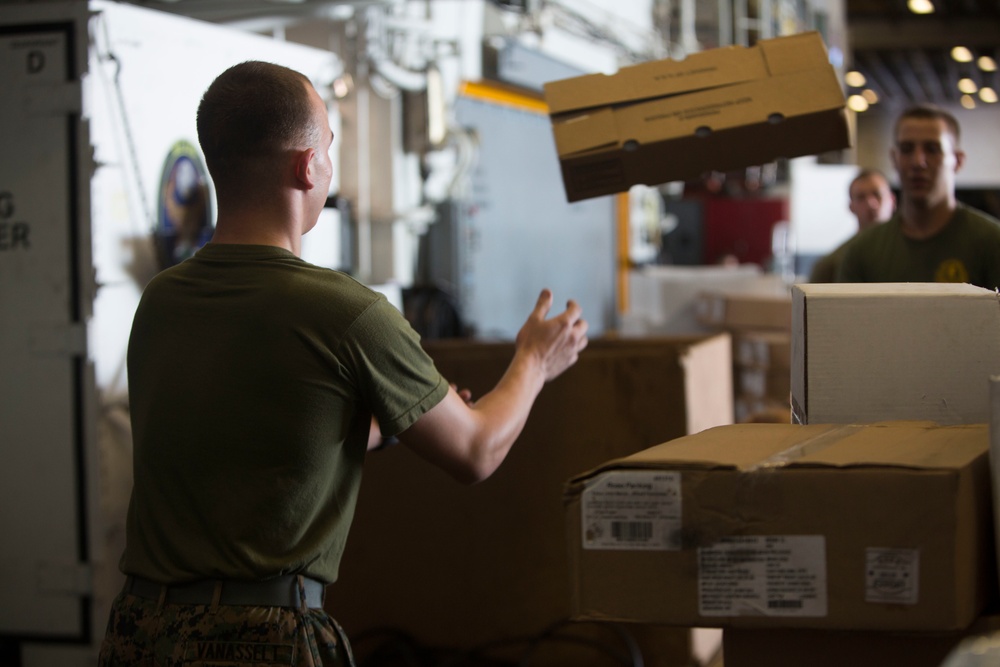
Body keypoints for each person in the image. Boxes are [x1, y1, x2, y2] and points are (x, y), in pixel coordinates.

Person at [98, 61, 589, 667]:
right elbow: (476, 451)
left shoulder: (161, 301)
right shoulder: (347, 314)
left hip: (139, 633)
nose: (330, 164)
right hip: (258, 644)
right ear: (307, 166)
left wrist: (383, 427)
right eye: (328, 146)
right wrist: (535, 360)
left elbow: (252, 438)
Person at [837, 104, 1000, 289]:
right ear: (894, 158)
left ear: (958, 160)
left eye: (932, 149)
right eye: (907, 149)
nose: (918, 161)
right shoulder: (862, 252)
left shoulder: (991, 243)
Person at [808, 168, 895, 283]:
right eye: (861, 197)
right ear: (851, 207)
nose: (870, 203)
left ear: (892, 200)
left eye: (877, 194)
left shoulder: (908, 254)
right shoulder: (831, 265)